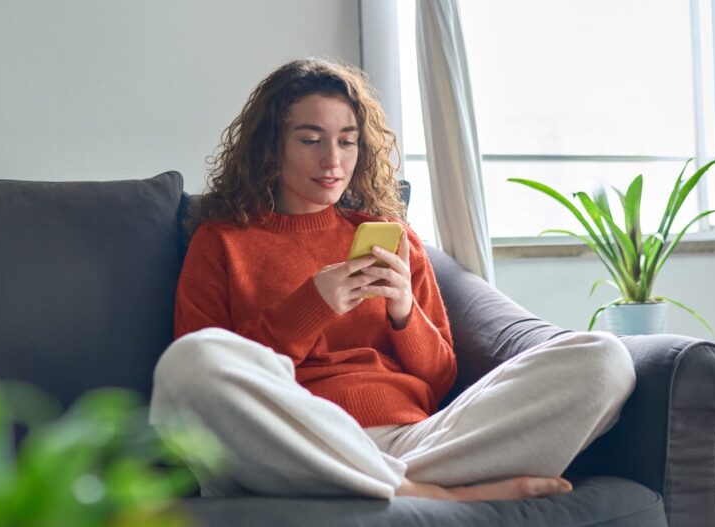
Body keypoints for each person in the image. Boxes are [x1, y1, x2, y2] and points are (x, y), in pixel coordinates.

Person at [149, 58, 635, 501]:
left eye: (347, 140)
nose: (332, 161)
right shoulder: (221, 242)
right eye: (310, 139)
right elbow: (208, 374)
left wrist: (405, 310)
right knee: (189, 362)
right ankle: (431, 492)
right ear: (271, 148)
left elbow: (441, 378)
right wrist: (310, 306)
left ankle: (394, 482)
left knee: (605, 357)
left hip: (420, 442)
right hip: (295, 440)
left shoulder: (390, 237)